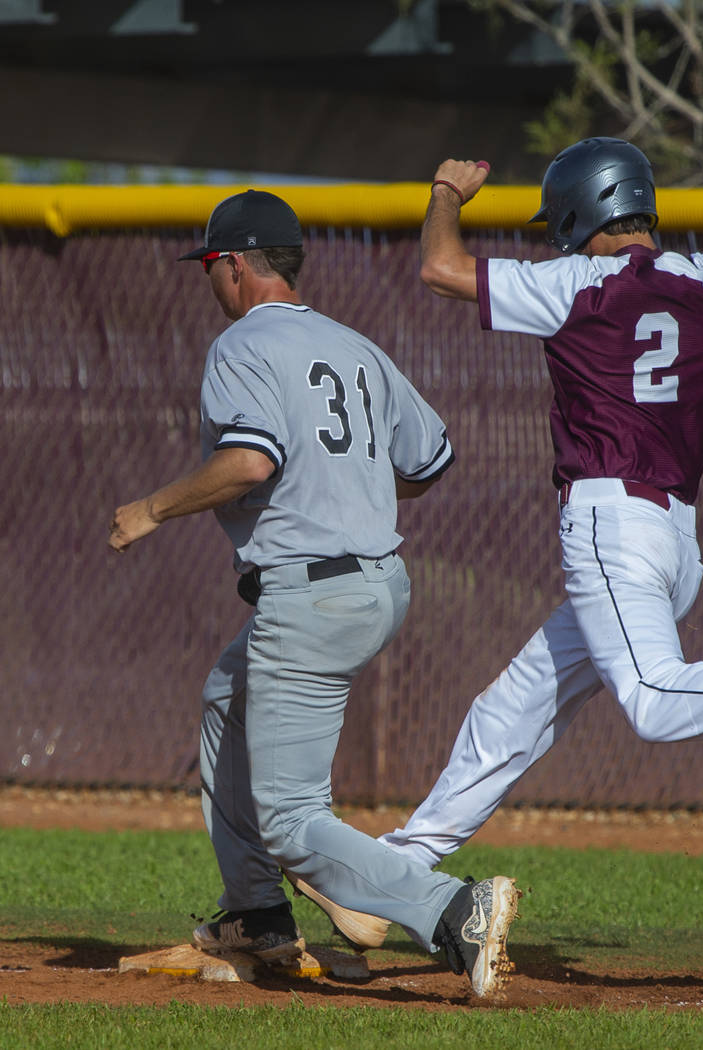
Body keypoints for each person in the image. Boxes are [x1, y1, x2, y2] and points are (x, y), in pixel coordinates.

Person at [366, 32, 703, 887]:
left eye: (560, 228)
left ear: (583, 216)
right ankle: (398, 874)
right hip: (676, 548)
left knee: (655, 703)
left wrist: (445, 191)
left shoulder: (573, 287)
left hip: (610, 523)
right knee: (513, 706)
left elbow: (440, 267)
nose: (555, 243)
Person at [107, 189, 520, 998]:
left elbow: (251, 461)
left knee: (294, 820)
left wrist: (151, 508)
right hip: (379, 584)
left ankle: (453, 910)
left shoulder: (241, 345)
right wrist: (350, 484)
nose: (209, 281)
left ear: (232, 266)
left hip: (312, 598)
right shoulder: (355, 345)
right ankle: (256, 913)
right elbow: (429, 463)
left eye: (209, 267)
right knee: (226, 699)